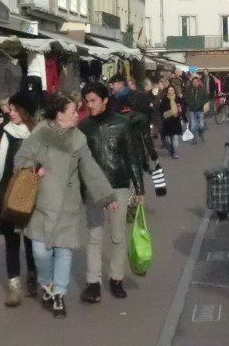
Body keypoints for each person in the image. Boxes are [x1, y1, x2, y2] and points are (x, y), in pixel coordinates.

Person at [13, 93, 117, 318]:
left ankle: (59, 294)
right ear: (60, 115)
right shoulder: (40, 133)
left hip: (67, 204)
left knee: (63, 251)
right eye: (73, 112)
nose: (77, 116)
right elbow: (21, 158)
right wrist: (32, 168)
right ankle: (46, 284)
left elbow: (90, 168)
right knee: (40, 252)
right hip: (40, 202)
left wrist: (107, 196)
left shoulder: (78, 139)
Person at [78, 82, 145, 302]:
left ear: (105, 100)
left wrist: (140, 189)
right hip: (94, 188)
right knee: (94, 236)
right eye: (87, 101)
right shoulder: (84, 127)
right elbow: (80, 162)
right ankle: (93, 283)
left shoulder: (123, 125)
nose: (90, 105)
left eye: (94, 101)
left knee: (117, 236)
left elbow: (133, 158)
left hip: (118, 185)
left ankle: (116, 278)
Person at [0, 90, 38, 307]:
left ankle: (33, 275)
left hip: (30, 193)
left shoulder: (37, 134)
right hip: (5, 193)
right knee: (11, 241)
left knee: (31, 240)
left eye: (15, 109)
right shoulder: (3, 132)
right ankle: (14, 287)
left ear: (25, 111)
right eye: (10, 109)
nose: (10, 113)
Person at [182, 74, 210, 144]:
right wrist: (189, 104)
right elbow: (186, 98)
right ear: (192, 82)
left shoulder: (202, 89)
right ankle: (194, 138)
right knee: (193, 125)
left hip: (200, 109)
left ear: (198, 82)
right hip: (192, 109)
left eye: (196, 81)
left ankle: (200, 133)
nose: (195, 83)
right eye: (193, 82)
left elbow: (206, 98)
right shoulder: (189, 89)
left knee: (201, 125)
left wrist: (202, 104)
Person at [159, 81, 184, 158]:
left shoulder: (178, 99)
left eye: (172, 90)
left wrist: (180, 113)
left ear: (174, 91)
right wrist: (164, 114)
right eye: (169, 90)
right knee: (168, 141)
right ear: (167, 91)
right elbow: (161, 109)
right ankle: (171, 150)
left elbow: (182, 109)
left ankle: (175, 153)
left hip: (175, 121)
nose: (171, 91)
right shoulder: (164, 99)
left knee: (175, 140)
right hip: (167, 122)